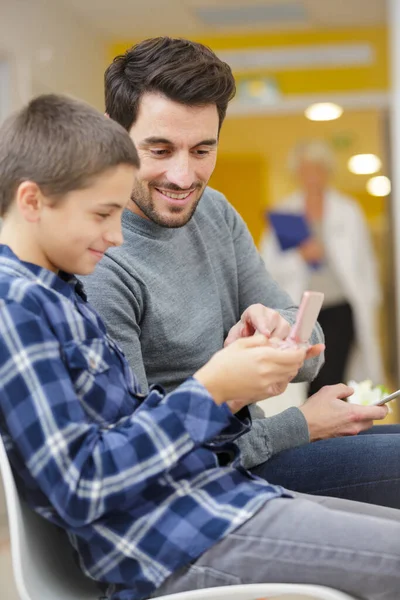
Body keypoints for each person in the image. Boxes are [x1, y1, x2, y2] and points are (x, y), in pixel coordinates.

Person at [1, 94, 400, 600]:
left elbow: (137, 425)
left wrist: (229, 390)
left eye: (201, 150)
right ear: (32, 201)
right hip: (174, 540)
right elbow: (83, 485)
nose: (116, 237)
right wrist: (214, 389)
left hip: (215, 500)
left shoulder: (61, 292)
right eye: (104, 213)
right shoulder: (17, 305)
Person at [82, 37, 400, 508]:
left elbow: (308, 349)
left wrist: (279, 335)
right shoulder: (98, 262)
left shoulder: (214, 211)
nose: (184, 177)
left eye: (202, 150)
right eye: (160, 149)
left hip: (252, 451)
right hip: (198, 487)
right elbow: (140, 458)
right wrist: (301, 425)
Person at [261, 139, 384, 394]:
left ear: (328, 172)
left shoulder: (347, 210)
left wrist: (371, 301)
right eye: (306, 169)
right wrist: (299, 257)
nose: (312, 175)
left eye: (318, 168)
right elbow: (267, 269)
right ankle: (317, 429)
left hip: (340, 304)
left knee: (334, 374)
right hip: (303, 310)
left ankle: (338, 430)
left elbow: (365, 263)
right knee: (307, 375)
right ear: (297, 173)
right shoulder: (286, 212)